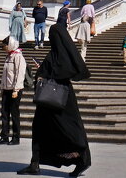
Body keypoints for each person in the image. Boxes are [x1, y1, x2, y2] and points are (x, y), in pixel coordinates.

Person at [17, 24, 90, 176]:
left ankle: (79, 156)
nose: (50, 38)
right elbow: (68, 71)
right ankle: (37, 162)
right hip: (65, 97)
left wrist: (41, 71)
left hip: (51, 99)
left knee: (41, 129)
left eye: (51, 36)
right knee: (67, 128)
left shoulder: (54, 55)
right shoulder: (68, 55)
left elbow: (47, 74)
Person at [0, 37, 27, 145]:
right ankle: (4, 136)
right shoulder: (8, 56)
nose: (3, 48)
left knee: (14, 113)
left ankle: (16, 137)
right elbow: (5, 74)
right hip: (6, 88)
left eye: (4, 45)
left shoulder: (18, 56)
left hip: (15, 89)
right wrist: (2, 87)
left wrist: (16, 89)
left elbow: (20, 74)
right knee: (4, 113)